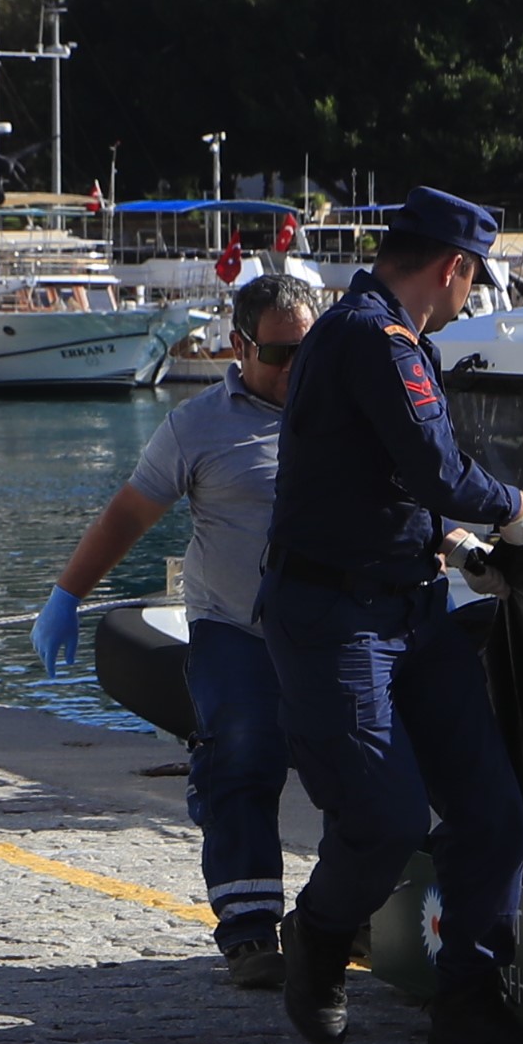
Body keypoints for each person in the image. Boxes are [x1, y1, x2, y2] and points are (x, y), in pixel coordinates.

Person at [254, 186, 523, 1044]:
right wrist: (514, 511)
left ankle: (470, 1005)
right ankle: (315, 934)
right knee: (384, 816)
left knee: (491, 807)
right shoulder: (375, 338)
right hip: (338, 618)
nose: (469, 297)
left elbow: (372, 479)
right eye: (473, 280)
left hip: (409, 605)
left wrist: (450, 545)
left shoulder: (374, 334)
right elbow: (434, 465)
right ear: (454, 267)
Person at [35, 268, 323, 988]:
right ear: (239, 345)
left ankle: (341, 917)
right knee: (243, 752)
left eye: (307, 354)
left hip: (330, 628)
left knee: (357, 767)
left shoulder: (345, 410)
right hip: (233, 625)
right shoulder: (196, 427)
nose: (295, 370)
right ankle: (251, 931)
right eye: (281, 355)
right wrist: (66, 595)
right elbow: (128, 515)